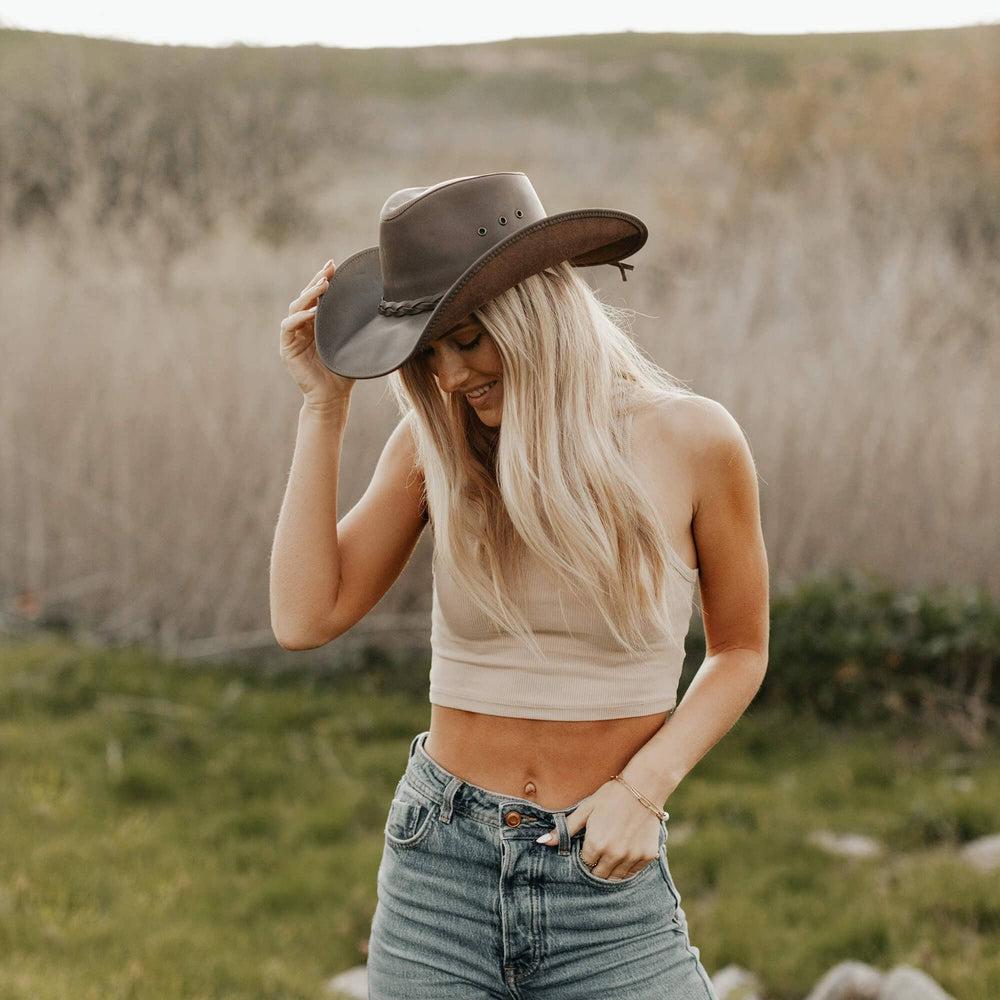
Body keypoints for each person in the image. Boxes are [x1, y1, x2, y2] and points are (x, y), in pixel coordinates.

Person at [270, 173, 769, 999]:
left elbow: (742, 649)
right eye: (428, 356)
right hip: (440, 868)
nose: (453, 377)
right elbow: (303, 616)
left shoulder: (693, 440)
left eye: (466, 339)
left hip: (603, 880)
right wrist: (322, 409)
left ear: (534, 311)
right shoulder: (435, 449)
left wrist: (644, 791)